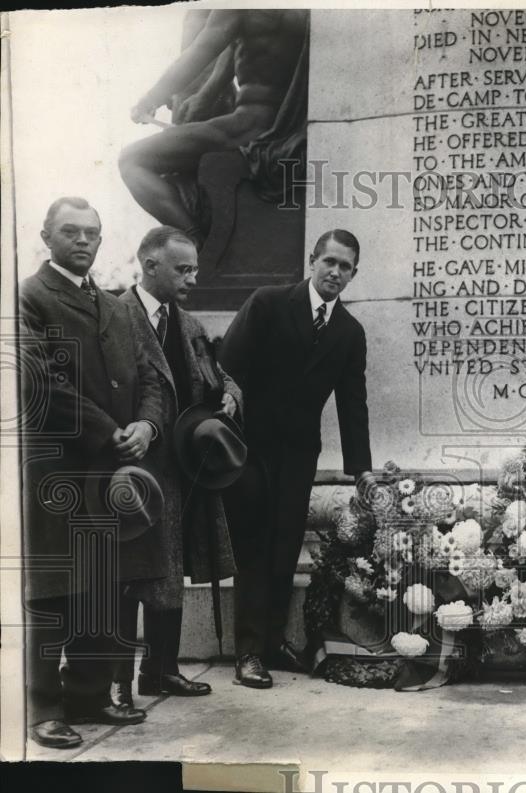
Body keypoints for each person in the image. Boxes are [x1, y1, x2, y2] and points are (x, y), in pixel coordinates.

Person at [19, 197, 163, 748]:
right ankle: (43, 707)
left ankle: (89, 693)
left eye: (92, 233)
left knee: (99, 585)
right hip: (58, 470)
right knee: (52, 591)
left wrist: (147, 426)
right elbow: (38, 381)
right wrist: (110, 430)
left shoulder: (116, 306)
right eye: (70, 231)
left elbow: (150, 377)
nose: (82, 241)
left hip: (110, 471)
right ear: (47, 237)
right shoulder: (29, 297)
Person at [219, 229, 373, 688]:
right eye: (329, 262)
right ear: (312, 261)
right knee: (254, 546)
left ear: (354, 275)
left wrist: (361, 469)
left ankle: (271, 642)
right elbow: (227, 364)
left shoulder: (349, 332)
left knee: (286, 546)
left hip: (300, 453)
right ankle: (248, 651)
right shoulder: (267, 303)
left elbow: (353, 402)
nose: (335, 272)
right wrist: (225, 407)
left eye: (345, 267)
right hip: (250, 448)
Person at [112, 227, 242, 706]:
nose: (193, 278)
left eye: (195, 269)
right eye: (183, 269)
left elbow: (218, 374)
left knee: (171, 571)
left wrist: (231, 394)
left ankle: (161, 671)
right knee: (128, 577)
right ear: (150, 266)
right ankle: (117, 682)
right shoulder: (115, 317)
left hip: (183, 469)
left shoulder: (189, 325)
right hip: (133, 469)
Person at [119, 9, 308, 244]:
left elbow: (200, 52)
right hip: (288, 127)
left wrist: (150, 99)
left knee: (131, 160)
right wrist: (207, 94)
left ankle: (196, 242)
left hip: (245, 126)